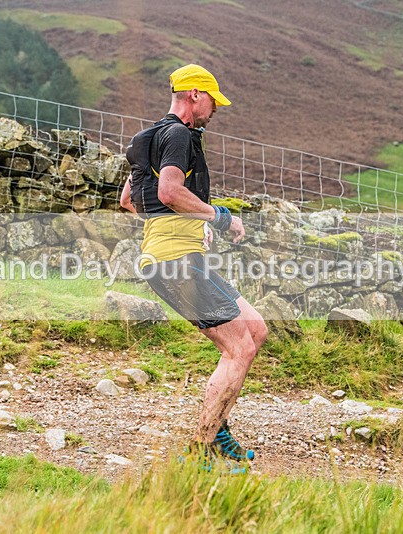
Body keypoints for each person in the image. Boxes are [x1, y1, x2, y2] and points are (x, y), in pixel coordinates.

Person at [120, 64, 268, 464]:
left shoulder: (149, 137)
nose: (215, 110)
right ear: (195, 95)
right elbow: (169, 192)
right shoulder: (180, 135)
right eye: (213, 101)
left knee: (256, 329)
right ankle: (202, 452)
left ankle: (216, 430)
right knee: (239, 348)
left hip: (168, 257)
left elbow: (130, 201)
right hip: (176, 262)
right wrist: (217, 217)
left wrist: (187, 223)